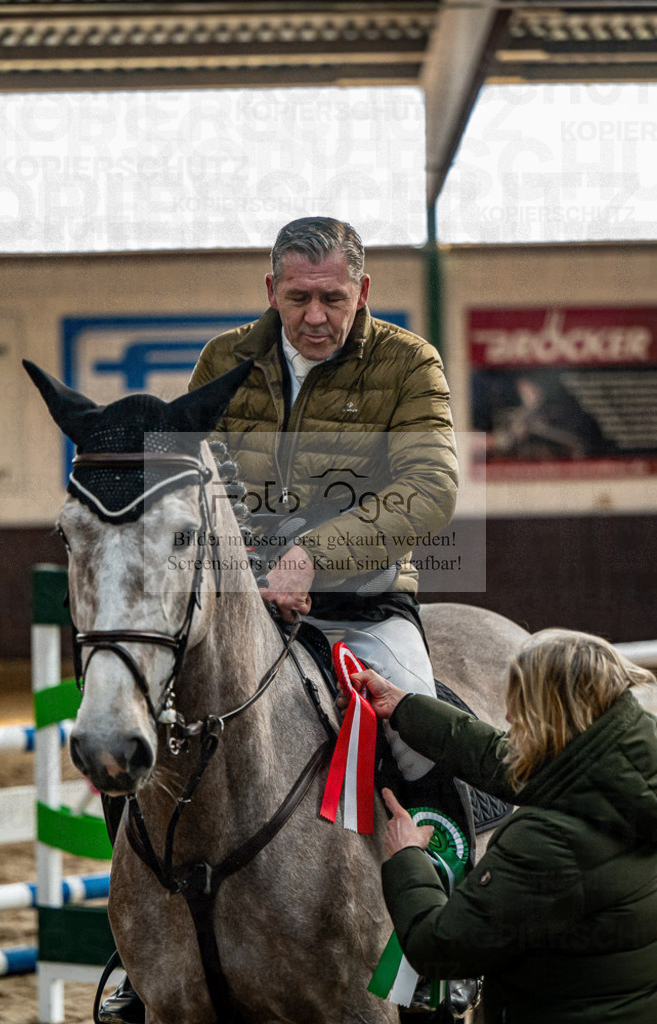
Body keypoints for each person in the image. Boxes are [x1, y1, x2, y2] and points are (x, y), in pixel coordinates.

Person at [99, 216, 458, 1023]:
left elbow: (428, 489)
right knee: (137, 729)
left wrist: (313, 559)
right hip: (238, 603)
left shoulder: (409, 363)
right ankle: (136, 954)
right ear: (272, 291)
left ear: (361, 291)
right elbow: (176, 478)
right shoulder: (225, 358)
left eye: (333, 298)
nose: (316, 316)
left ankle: (441, 948)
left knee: (422, 734)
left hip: (362, 605)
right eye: (299, 297)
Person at [345, 628, 657, 1024]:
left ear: (554, 716)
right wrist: (404, 706)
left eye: (520, 707)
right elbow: (503, 757)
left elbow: (439, 947)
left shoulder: (549, 843)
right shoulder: (622, 765)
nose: (508, 717)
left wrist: (408, 856)